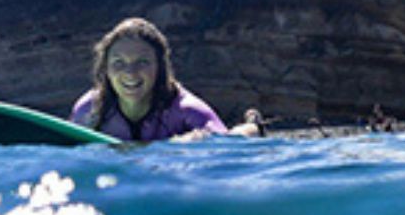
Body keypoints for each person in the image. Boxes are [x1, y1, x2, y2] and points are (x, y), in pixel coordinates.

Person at [70, 18, 262, 141]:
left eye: (142, 62)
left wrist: (194, 141)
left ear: (160, 67)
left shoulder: (186, 109)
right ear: (105, 69)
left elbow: (225, 147)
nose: (130, 73)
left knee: (235, 135)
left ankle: (254, 124)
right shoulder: (90, 109)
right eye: (119, 63)